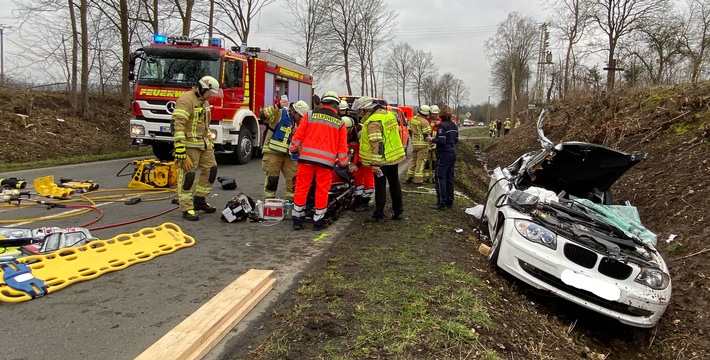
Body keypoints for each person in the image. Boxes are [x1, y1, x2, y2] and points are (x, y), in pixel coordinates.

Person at [289, 91, 349, 231]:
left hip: (306, 160)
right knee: (322, 190)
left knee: (301, 188)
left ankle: (297, 220)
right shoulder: (340, 123)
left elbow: (298, 136)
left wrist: (293, 149)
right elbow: (342, 149)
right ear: (336, 105)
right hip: (326, 163)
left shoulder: (309, 115)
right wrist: (343, 164)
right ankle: (318, 221)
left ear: (323, 102)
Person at [171, 75, 221, 221]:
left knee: (211, 170)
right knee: (188, 176)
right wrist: (179, 145)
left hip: (204, 144)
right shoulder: (186, 100)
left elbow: (205, 125)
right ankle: (187, 208)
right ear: (202, 88)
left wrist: (209, 141)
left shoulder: (204, 102)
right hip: (189, 144)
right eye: (210, 93)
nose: (210, 97)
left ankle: (200, 200)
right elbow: (177, 123)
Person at [354, 96, 406, 222]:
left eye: (360, 111)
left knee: (380, 186)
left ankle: (379, 214)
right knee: (394, 184)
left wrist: (375, 164)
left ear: (366, 109)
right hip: (393, 157)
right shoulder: (388, 115)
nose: (360, 114)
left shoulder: (373, 122)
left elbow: (377, 143)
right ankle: (398, 212)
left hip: (382, 161)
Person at [259, 96, 309, 200]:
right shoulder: (280, 113)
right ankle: (269, 203)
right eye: (300, 116)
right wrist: (277, 106)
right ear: (294, 112)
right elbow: (262, 115)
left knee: (293, 180)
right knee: (272, 180)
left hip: (290, 155)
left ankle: (290, 203)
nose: (301, 119)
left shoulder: (300, 123)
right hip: (272, 152)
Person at [343, 100, 374, 212]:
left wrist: (358, 164)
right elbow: (344, 147)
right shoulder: (346, 131)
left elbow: (366, 149)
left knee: (368, 178)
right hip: (358, 154)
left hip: (367, 156)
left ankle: (366, 201)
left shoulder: (360, 132)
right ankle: (358, 199)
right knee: (357, 176)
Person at [429, 105, 458, 210]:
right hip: (452, 153)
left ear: (441, 114)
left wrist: (432, 139)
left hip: (443, 154)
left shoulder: (442, 126)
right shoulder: (454, 126)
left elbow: (441, 140)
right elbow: (456, 140)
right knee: (449, 178)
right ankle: (450, 200)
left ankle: (441, 202)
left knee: (440, 177)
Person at [404, 105, 431, 185]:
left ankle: (408, 177)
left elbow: (410, 130)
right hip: (422, 144)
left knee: (413, 161)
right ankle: (418, 180)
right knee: (421, 162)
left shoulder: (413, 119)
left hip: (414, 143)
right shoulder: (424, 122)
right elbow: (426, 134)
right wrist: (430, 141)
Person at [423, 105, 441, 183]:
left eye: (435, 114)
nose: (434, 115)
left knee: (434, 162)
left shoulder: (440, 121)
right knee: (426, 161)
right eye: (433, 114)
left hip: (435, 144)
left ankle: (434, 177)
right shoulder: (427, 120)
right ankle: (426, 177)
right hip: (427, 143)